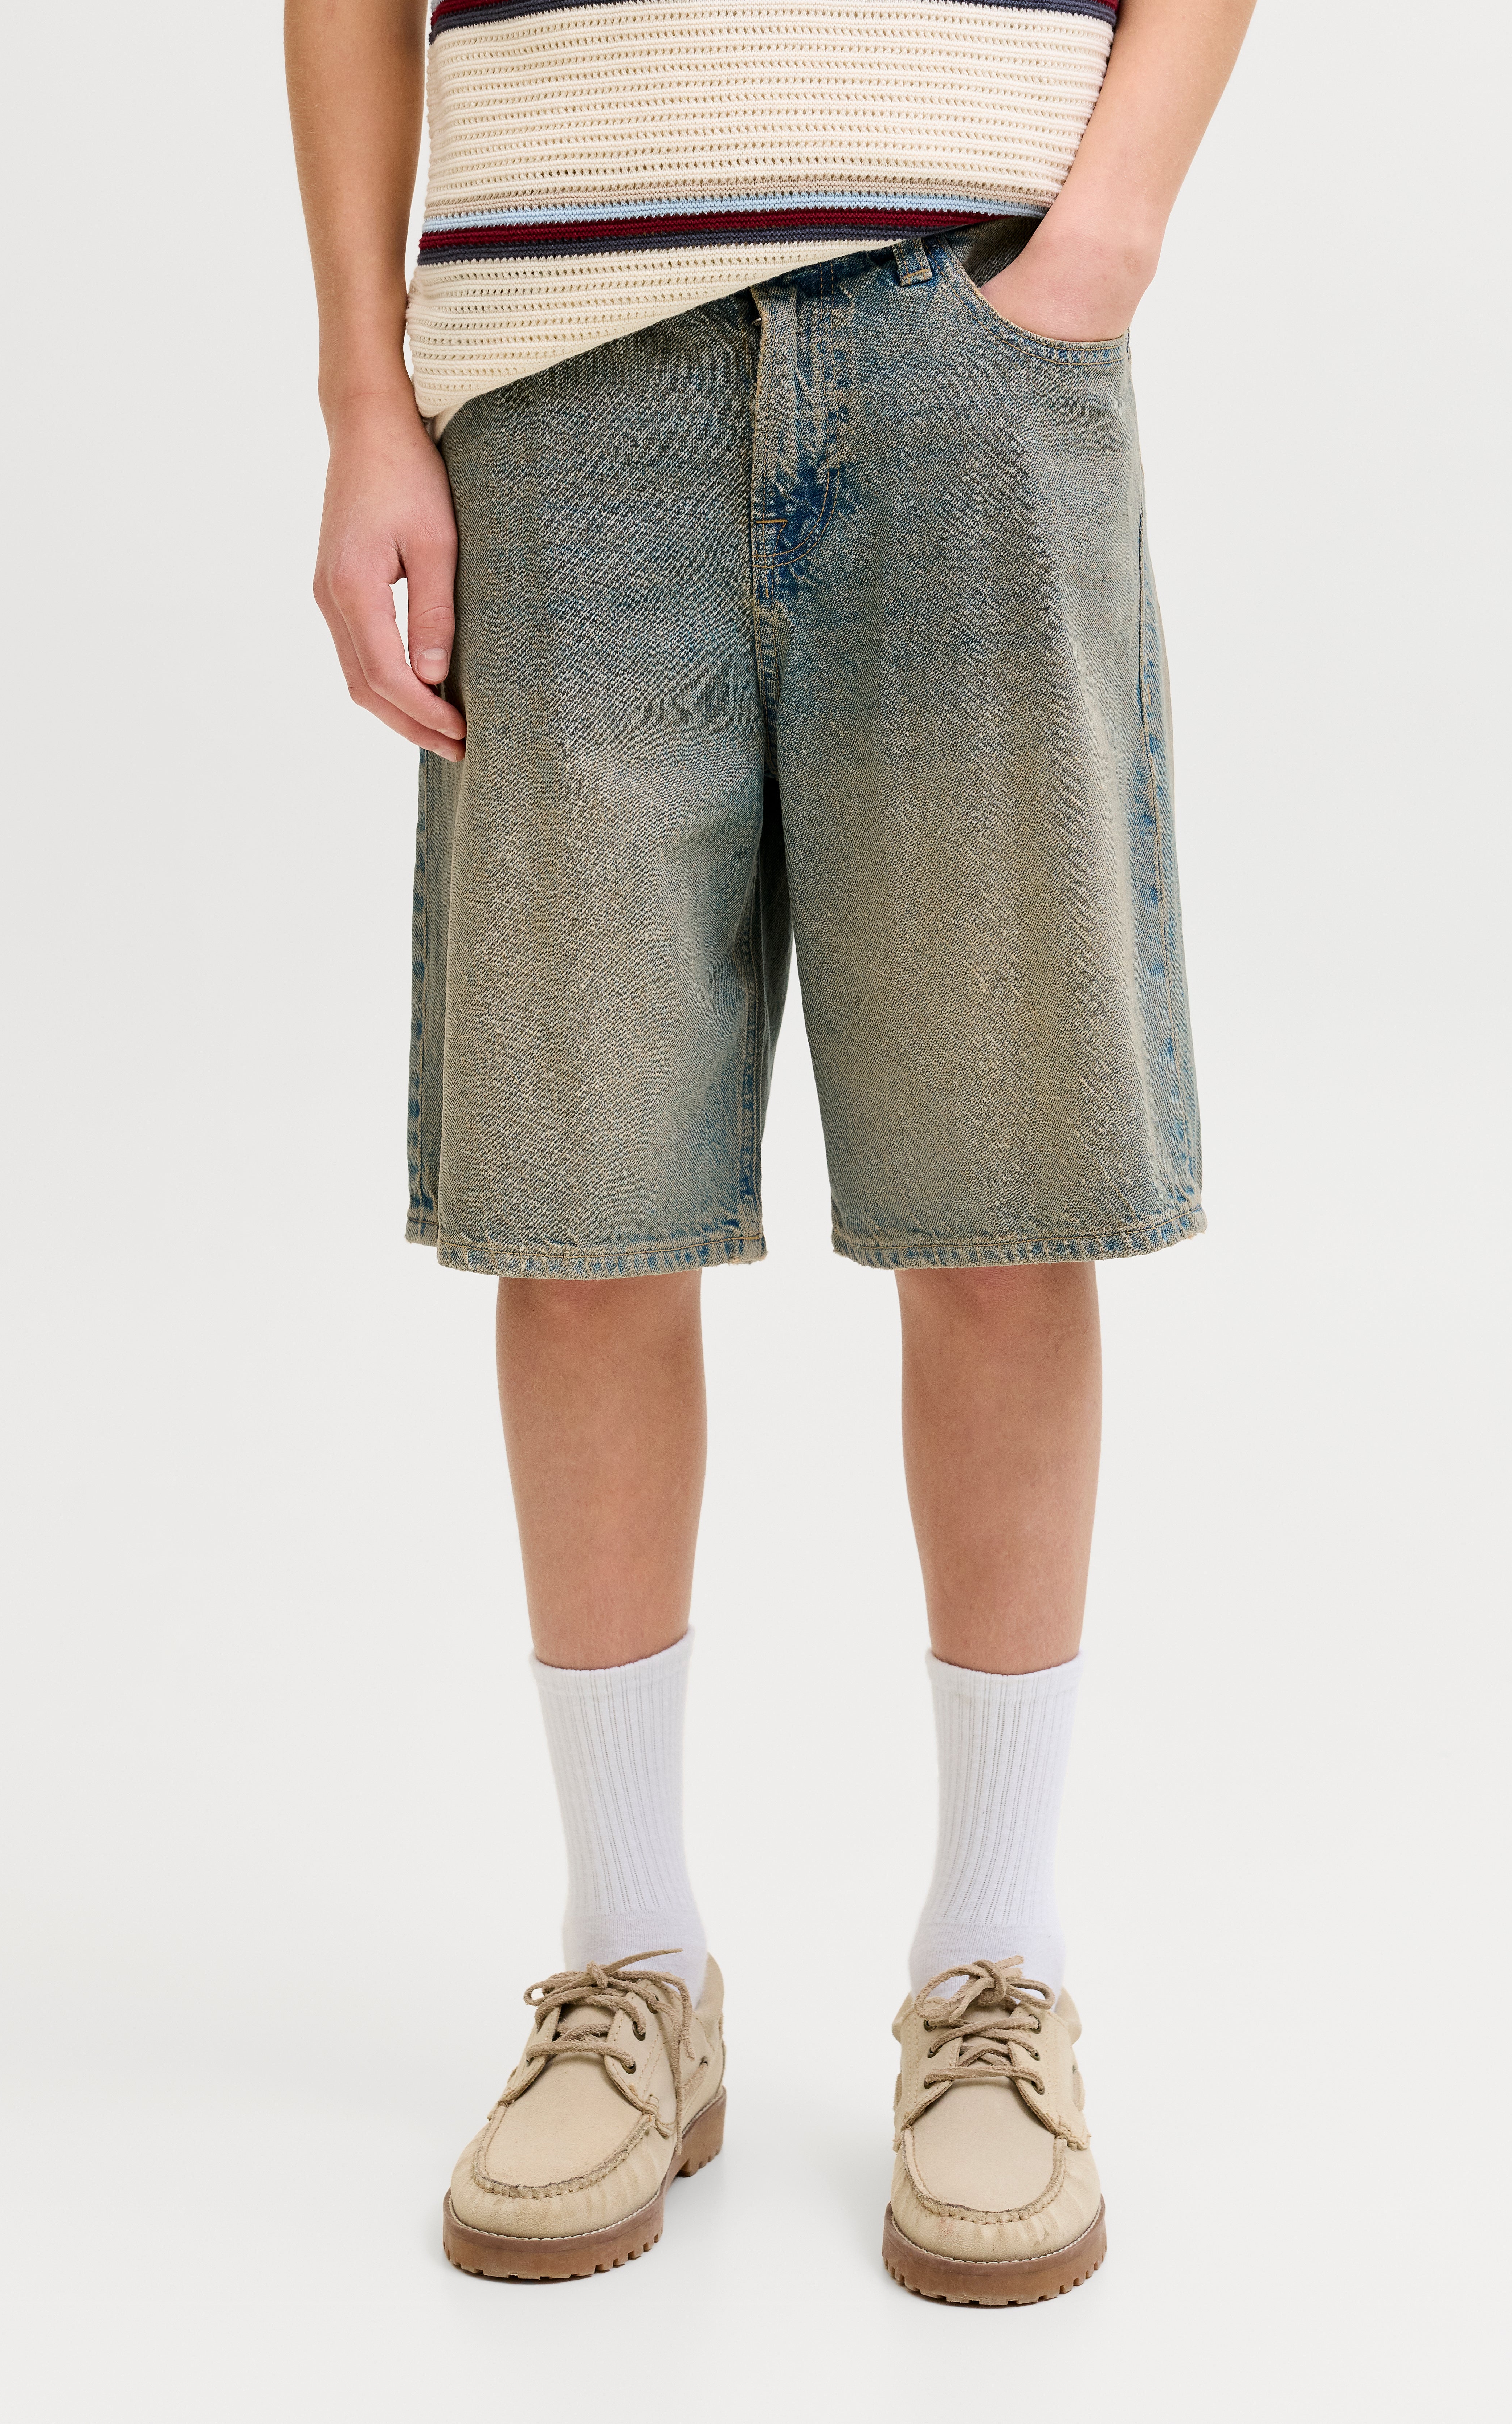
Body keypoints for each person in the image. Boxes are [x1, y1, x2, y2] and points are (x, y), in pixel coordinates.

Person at [286, 0, 1253, 2303]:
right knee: (581, 1207)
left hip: (967, 324)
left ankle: (994, 1966)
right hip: (552, 384)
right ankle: (631, 1963)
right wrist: (363, 402)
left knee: (1007, 1202)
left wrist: (1104, 229)